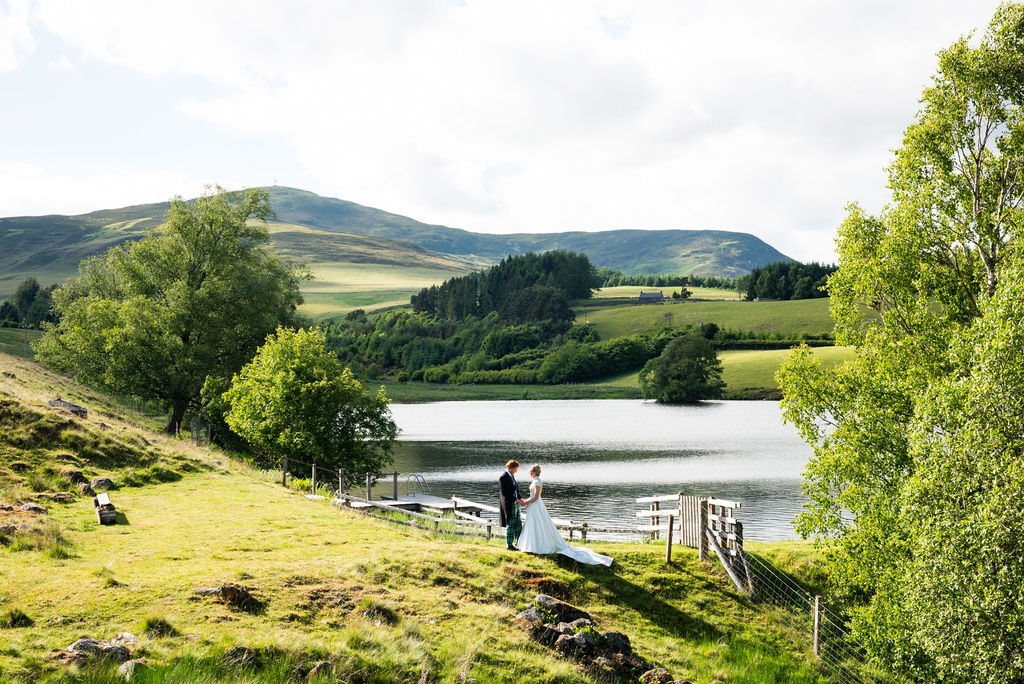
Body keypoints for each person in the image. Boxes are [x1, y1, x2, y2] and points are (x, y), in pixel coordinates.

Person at [517, 464, 613, 566]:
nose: (529, 473)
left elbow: (536, 497)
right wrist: (526, 500)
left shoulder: (536, 481)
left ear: (534, 472)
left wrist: (525, 502)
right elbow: (533, 496)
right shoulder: (536, 480)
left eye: (530, 472)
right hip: (534, 506)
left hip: (535, 505)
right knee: (534, 524)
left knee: (537, 524)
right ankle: (532, 546)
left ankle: (536, 546)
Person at [499, 459, 524, 551]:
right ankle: (509, 545)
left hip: (516, 503)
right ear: (511, 468)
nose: (516, 471)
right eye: (516, 469)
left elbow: (515, 491)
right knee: (511, 524)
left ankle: (518, 543)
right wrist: (517, 500)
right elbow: (506, 493)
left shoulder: (512, 476)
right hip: (509, 504)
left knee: (518, 524)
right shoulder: (503, 477)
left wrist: (520, 498)